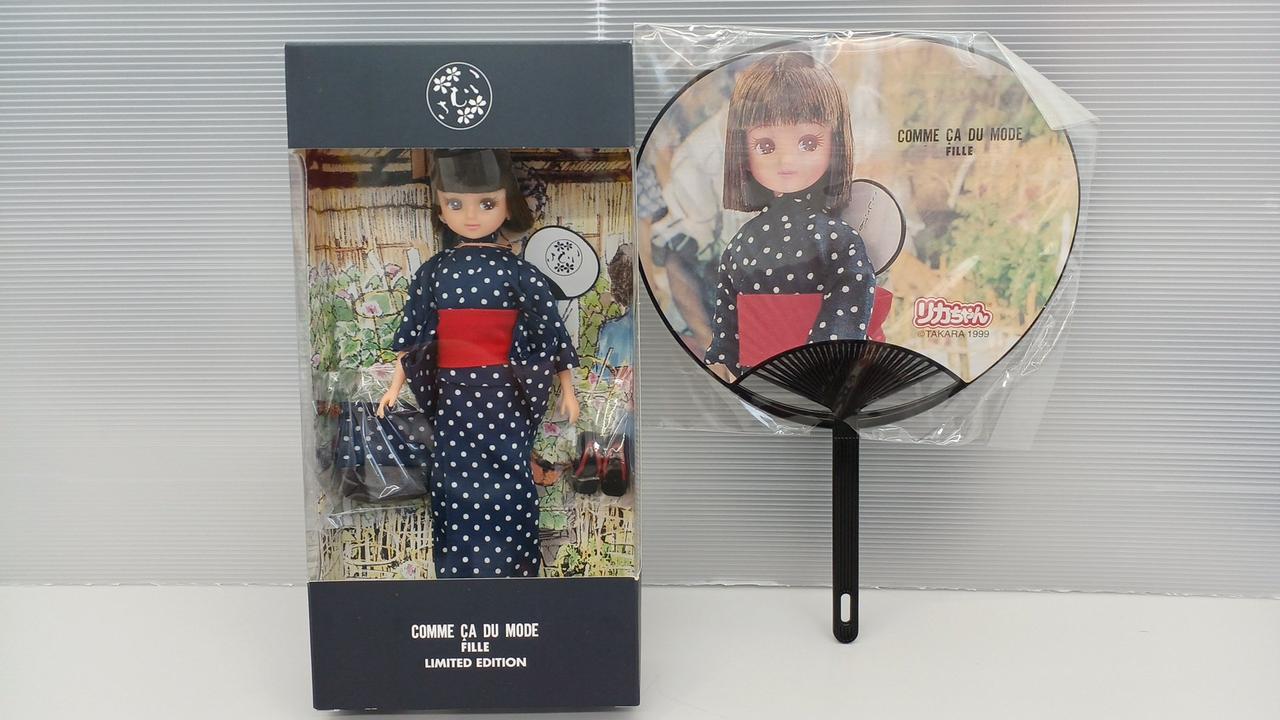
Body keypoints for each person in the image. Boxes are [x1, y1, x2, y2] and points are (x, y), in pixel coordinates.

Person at [377, 148, 579, 578]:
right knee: (451, 477)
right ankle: (457, 571)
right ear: (440, 209)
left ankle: (515, 568)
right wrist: (394, 386)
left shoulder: (519, 272)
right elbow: (414, 336)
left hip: (505, 392)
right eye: (455, 204)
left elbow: (549, 331)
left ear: (507, 206)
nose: (471, 215)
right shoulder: (434, 271)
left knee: (511, 472)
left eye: (487, 204)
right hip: (452, 394)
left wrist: (568, 389)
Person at [705, 51, 876, 380]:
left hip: (818, 380)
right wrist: (723, 367)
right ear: (743, 150)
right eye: (766, 146)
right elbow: (727, 327)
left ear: (835, 143)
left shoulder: (838, 240)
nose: (786, 161)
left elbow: (845, 316)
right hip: (752, 382)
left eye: (808, 142)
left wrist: (816, 369)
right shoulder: (742, 244)